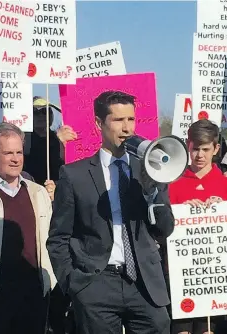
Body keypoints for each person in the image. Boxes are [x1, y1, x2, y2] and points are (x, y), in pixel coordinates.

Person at [47, 90, 175, 334]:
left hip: (145, 283)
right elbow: (58, 238)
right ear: (99, 124)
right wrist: (74, 284)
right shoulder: (74, 175)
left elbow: (165, 228)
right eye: (118, 120)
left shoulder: (150, 168)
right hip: (96, 283)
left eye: (131, 119)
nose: (127, 128)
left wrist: (152, 194)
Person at [0, 123, 56, 334]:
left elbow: (52, 238)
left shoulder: (38, 193)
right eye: (8, 153)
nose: (16, 159)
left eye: (19, 152)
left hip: (34, 291)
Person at [169, 119, 227, 334]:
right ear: (187, 145)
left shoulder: (225, 184)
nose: (199, 155)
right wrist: (178, 213)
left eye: (206, 149)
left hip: (215, 279)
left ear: (216, 148)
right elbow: (160, 229)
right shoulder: (172, 182)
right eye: (195, 149)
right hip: (181, 279)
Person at [24, 96, 77, 186]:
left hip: (58, 188)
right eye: (36, 112)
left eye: (45, 111)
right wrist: (57, 141)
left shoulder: (60, 136)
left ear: (51, 115)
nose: (41, 116)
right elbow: (35, 162)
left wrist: (62, 144)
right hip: (33, 188)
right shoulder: (24, 139)